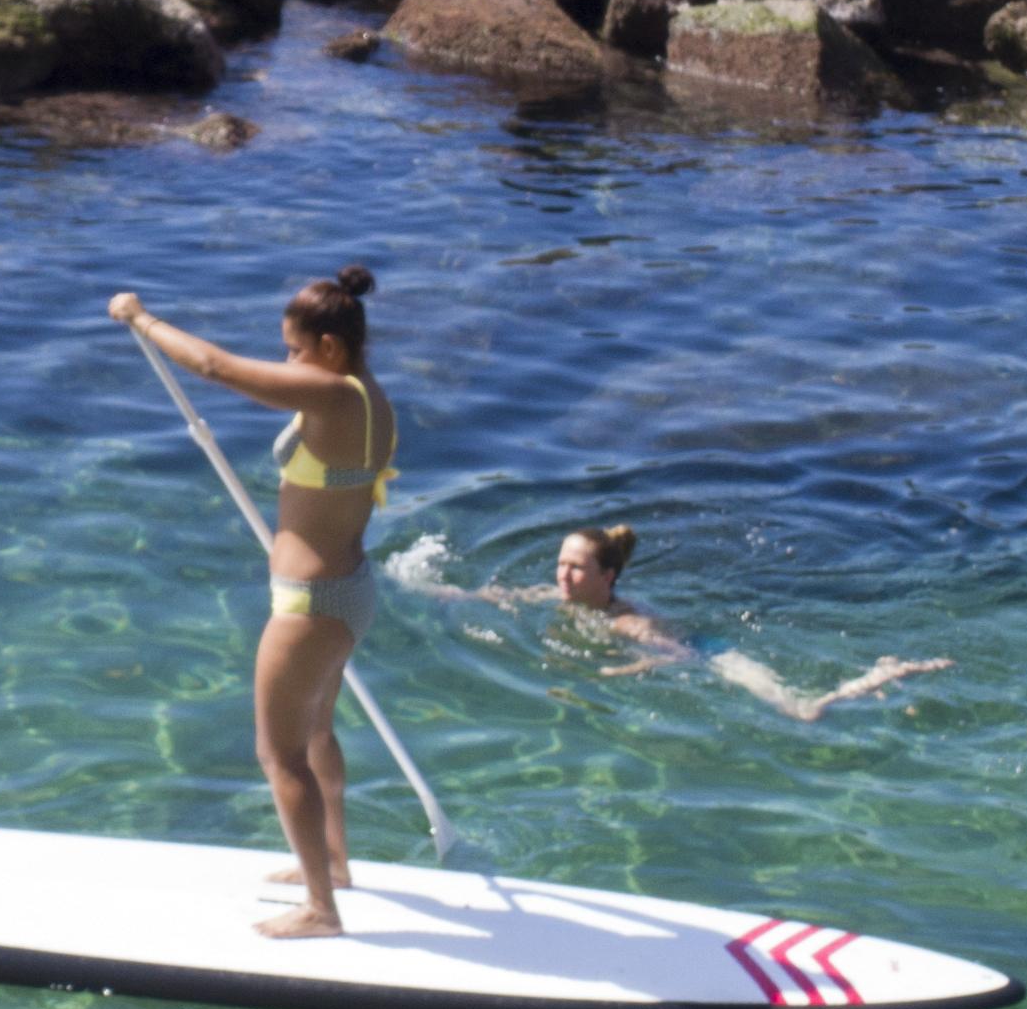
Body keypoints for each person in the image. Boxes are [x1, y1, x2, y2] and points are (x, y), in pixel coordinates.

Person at [110, 267, 400, 938]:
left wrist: (139, 316)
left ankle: (323, 910)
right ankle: (334, 861)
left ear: (329, 348)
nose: (287, 363)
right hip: (347, 591)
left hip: (311, 605)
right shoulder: (368, 396)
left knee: (280, 756)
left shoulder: (329, 393)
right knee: (319, 733)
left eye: (295, 350)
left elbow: (214, 365)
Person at [404, 521, 957, 723]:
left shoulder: (629, 624)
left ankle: (884, 674)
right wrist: (440, 592)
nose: (564, 577)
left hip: (711, 649)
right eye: (561, 565)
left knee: (802, 711)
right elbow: (502, 593)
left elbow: (683, 656)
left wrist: (624, 673)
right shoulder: (563, 596)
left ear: (609, 577)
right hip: (686, 646)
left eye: (577, 569)